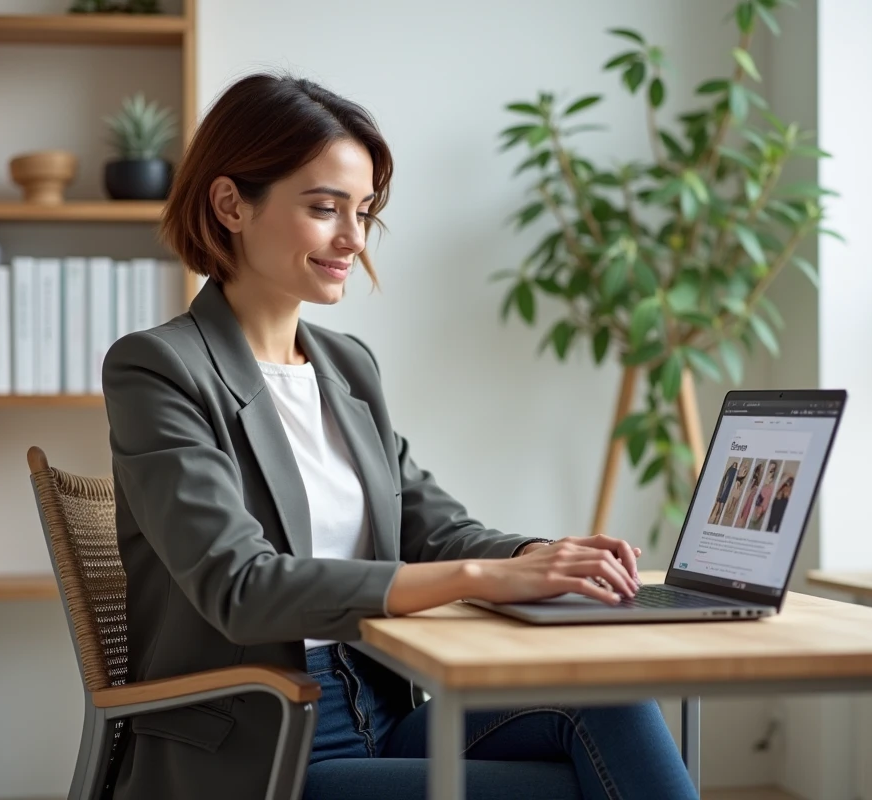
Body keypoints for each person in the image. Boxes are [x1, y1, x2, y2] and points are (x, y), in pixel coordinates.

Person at [100, 73, 698, 800]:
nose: (354, 239)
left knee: (611, 698)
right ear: (231, 204)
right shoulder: (160, 368)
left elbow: (435, 528)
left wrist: (538, 556)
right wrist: (483, 580)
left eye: (363, 211)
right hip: (265, 745)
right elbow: (241, 586)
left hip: (380, 705)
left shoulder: (345, 366)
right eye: (325, 209)